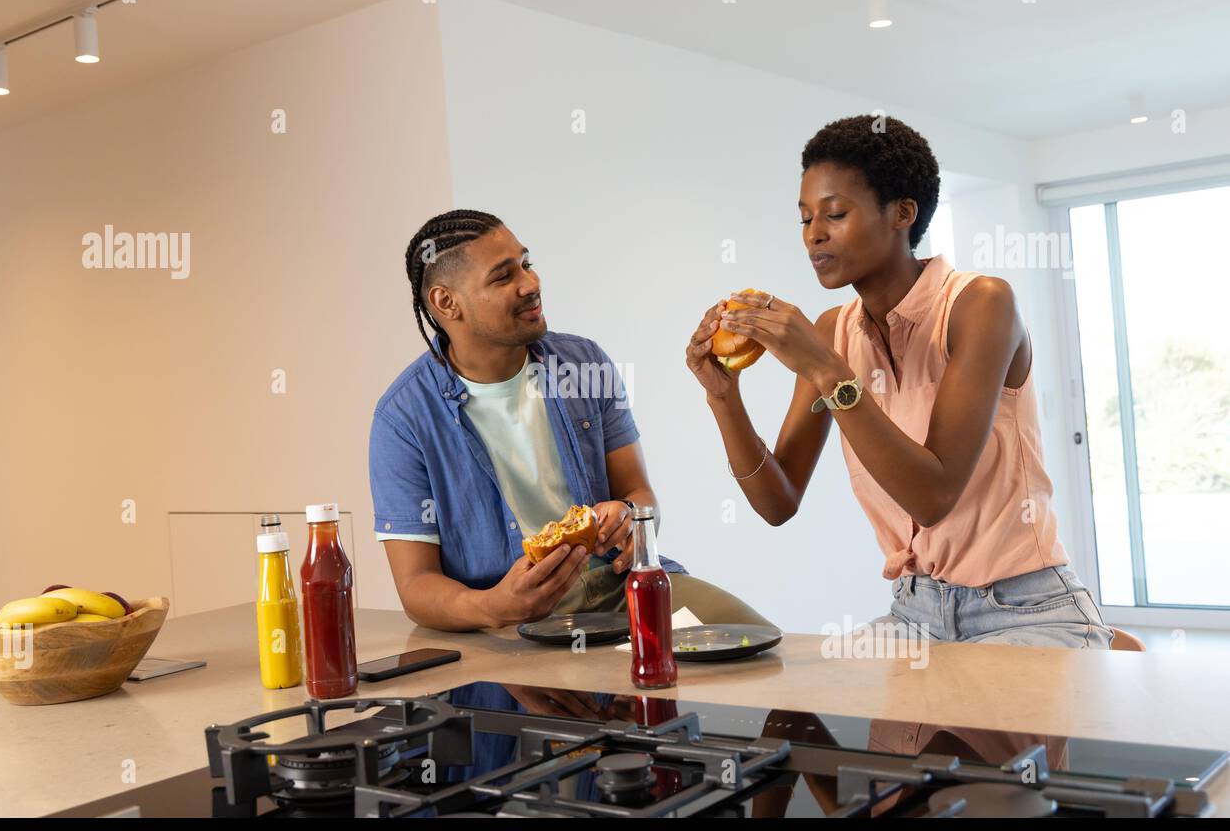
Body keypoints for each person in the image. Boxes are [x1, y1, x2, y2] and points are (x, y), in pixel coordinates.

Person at [685, 115, 1113, 649]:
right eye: (804, 219)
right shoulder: (832, 332)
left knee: (975, 734)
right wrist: (723, 397)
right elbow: (778, 502)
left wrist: (825, 370)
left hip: (1024, 612)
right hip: (914, 613)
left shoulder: (982, 305)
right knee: (791, 711)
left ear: (902, 214)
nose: (814, 234)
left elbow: (933, 495)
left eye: (835, 214)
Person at [371, 209, 771, 631]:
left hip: (621, 586)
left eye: (526, 264)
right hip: (507, 625)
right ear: (446, 302)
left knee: (758, 649)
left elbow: (640, 494)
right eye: (503, 277)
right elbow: (416, 586)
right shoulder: (403, 419)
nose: (531, 283)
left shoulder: (585, 364)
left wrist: (631, 518)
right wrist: (495, 607)